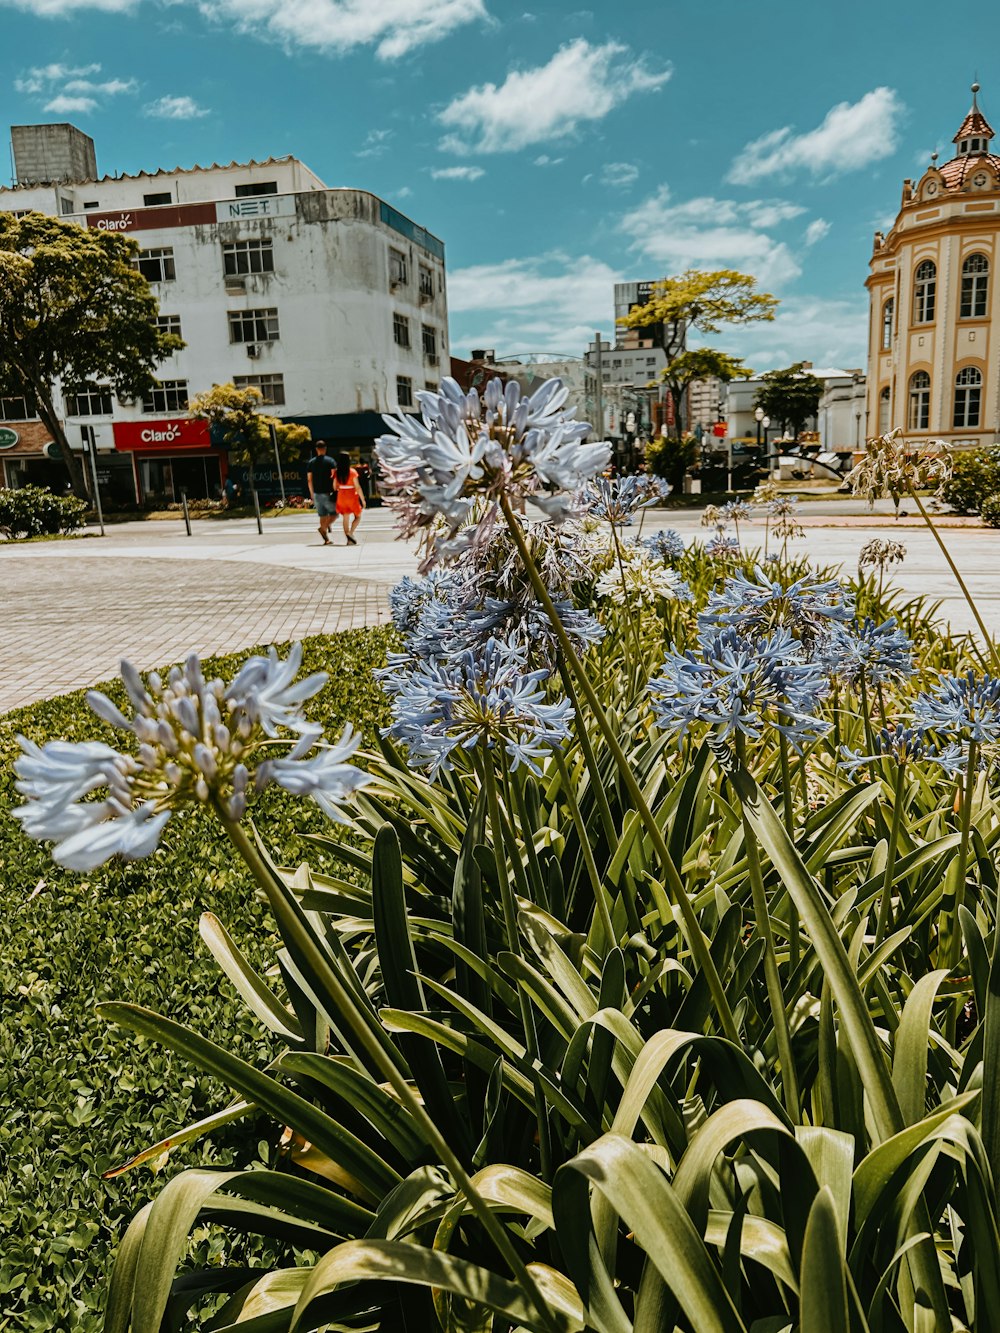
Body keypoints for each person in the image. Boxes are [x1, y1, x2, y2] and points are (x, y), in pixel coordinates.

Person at [306, 440, 336, 544]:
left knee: (322, 515)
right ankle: (323, 528)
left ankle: (326, 539)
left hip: (316, 493)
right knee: (334, 514)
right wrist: (335, 489)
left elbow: (309, 479)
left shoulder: (311, 462)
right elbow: (334, 476)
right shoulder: (330, 461)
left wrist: (311, 493)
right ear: (325, 449)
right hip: (328, 492)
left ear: (316, 449)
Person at [333, 451, 365, 545]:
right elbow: (357, 487)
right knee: (358, 516)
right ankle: (350, 533)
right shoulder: (352, 472)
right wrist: (362, 500)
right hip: (351, 494)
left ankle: (348, 538)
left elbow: (334, 486)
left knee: (345, 517)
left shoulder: (337, 472)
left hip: (341, 495)